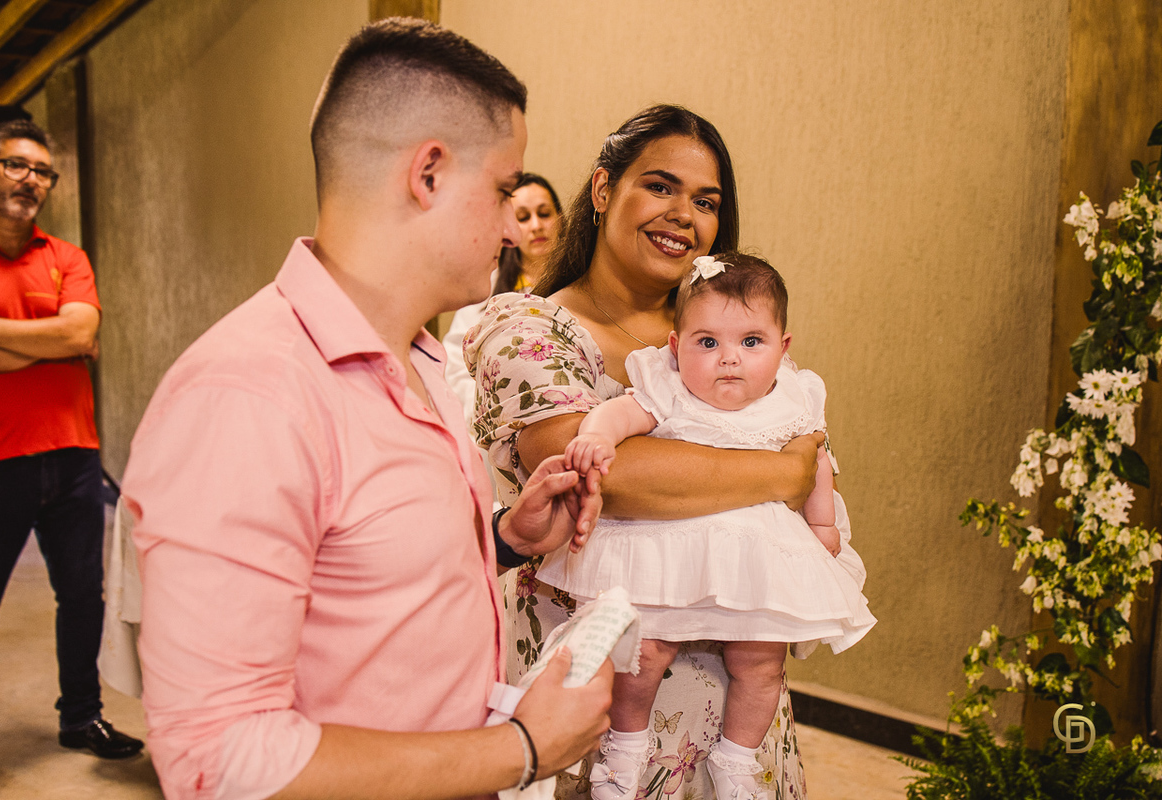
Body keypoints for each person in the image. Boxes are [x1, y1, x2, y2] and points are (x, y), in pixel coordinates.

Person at [119, 18, 611, 800]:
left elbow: (366, 574)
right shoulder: (247, 396)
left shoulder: (419, 355)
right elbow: (219, 759)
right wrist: (521, 749)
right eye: (504, 190)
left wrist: (502, 539)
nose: (514, 225)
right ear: (428, 174)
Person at [464, 105, 823, 800]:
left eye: (706, 202)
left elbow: (804, 435)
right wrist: (782, 473)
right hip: (596, 697)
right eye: (660, 186)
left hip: (737, 705)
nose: (683, 214)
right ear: (604, 190)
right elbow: (600, 471)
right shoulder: (531, 326)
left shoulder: (725, 335)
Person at [554, 252, 876, 800]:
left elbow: (817, 462)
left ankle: (737, 761)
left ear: (783, 348)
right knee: (642, 653)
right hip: (668, 546)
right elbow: (624, 414)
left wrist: (823, 524)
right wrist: (599, 435)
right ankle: (622, 754)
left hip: (757, 558)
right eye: (707, 342)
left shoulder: (792, 399)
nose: (729, 358)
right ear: (676, 346)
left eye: (751, 342)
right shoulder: (670, 388)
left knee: (761, 660)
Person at [0, 119, 142, 799]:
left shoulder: (67, 256)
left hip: (73, 455)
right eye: (15, 165)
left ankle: (81, 717)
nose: (30, 180)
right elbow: (59, 339)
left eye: (41, 171)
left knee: (82, 597)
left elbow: (82, 332)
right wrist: (55, 343)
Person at [443, 173, 563, 419]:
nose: (536, 225)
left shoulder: (583, 282)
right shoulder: (483, 288)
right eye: (523, 218)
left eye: (544, 214)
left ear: (561, 219)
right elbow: (455, 367)